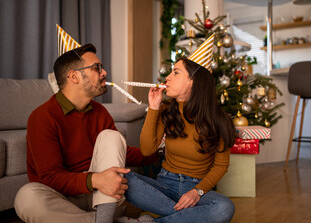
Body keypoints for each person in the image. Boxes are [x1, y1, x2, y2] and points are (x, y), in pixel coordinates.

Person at [14, 43, 157, 223]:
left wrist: (160, 152)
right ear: (74, 76)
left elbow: (121, 153)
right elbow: (51, 177)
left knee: (112, 137)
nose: (104, 73)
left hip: (102, 199)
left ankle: (103, 218)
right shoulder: (42, 117)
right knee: (26, 197)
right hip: (62, 200)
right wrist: (95, 180)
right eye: (97, 68)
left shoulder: (99, 112)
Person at [123, 52, 236, 223]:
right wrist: (153, 107)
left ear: (193, 82)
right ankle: (189, 217)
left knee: (225, 207)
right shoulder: (166, 109)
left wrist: (197, 192)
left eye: (176, 72)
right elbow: (147, 150)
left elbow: (221, 165)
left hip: (197, 188)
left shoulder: (219, 120)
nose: (167, 77)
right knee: (123, 179)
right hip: (164, 184)